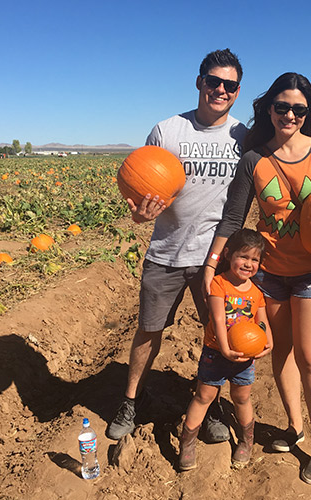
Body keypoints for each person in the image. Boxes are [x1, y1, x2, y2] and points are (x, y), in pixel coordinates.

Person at [203, 72, 311, 485]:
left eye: (299, 108)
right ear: (269, 109)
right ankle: (294, 426)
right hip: (272, 273)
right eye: (282, 107)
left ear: (308, 111)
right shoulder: (254, 160)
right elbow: (233, 218)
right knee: (282, 353)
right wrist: (213, 263)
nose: (290, 115)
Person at [106, 49, 247, 443]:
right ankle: (131, 400)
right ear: (200, 82)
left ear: (237, 92)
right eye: (214, 81)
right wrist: (140, 217)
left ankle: (212, 403)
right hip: (166, 252)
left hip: (216, 258)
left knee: (219, 334)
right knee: (148, 331)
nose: (220, 89)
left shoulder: (242, 137)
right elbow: (140, 196)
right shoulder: (167, 131)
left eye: (229, 85)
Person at [178, 228, 273, 470]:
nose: (248, 264)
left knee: (241, 398)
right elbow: (218, 319)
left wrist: (268, 341)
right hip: (216, 353)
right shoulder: (219, 284)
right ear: (228, 255)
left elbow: (261, 322)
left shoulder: (256, 293)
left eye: (254, 259)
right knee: (204, 396)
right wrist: (224, 348)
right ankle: (187, 444)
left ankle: (245, 441)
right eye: (243, 257)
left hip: (244, 357)